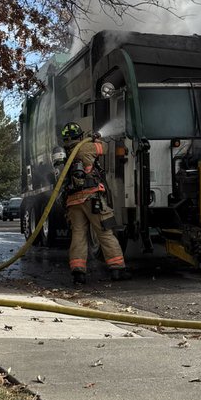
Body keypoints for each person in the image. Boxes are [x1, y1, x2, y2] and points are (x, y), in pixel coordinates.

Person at [59, 122, 131, 286]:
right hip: (92, 198)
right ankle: (117, 269)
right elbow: (104, 148)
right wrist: (95, 138)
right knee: (105, 232)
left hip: (73, 201)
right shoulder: (85, 147)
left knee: (78, 235)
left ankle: (79, 274)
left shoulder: (65, 153)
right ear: (79, 136)